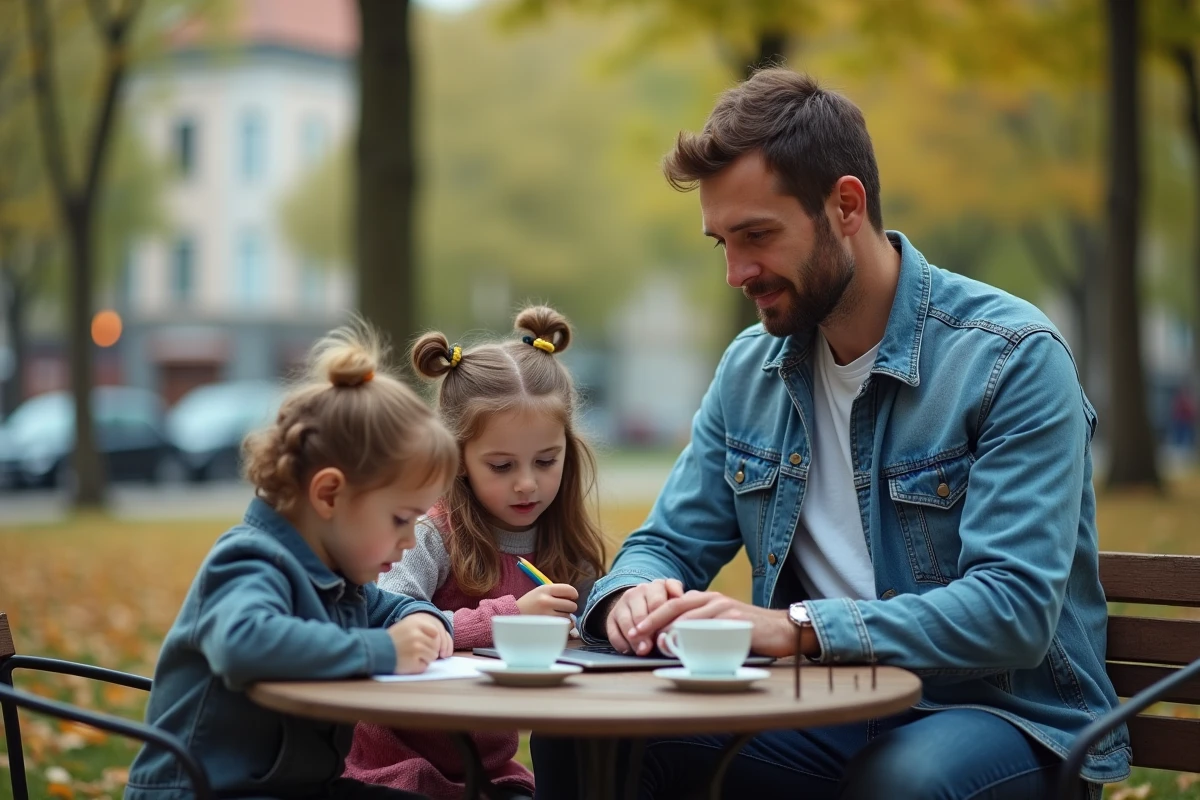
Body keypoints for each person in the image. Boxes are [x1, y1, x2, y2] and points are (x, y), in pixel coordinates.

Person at [531, 69, 1128, 800]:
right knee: (585, 729)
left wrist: (799, 630)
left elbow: (1012, 610)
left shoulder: (1011, 359)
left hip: (1003, 718)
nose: (735, 272)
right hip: (820, 710)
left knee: (898, 782)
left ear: (846, 205)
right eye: (721, 241)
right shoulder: (750, 371)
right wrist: (629, 595)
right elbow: (666, 543)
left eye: (756, 236)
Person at [125, 323, 460, 800]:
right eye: (401, 519)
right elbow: (244, 642)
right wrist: (383, 651)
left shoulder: (336, 574)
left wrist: (424, 619)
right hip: (203, 790)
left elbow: (385, 608)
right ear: (329, 495)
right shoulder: (249, 560)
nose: (410, 541)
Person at [343, 306, 608, 800]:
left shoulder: (565, 543)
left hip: (486, 773)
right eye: (502, 465)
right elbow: (388, 620)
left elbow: (592, 637)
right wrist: (510, 617)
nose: (527, 483)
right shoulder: (430, 534)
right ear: (458, 457)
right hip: (392, 764)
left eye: (546, 460)